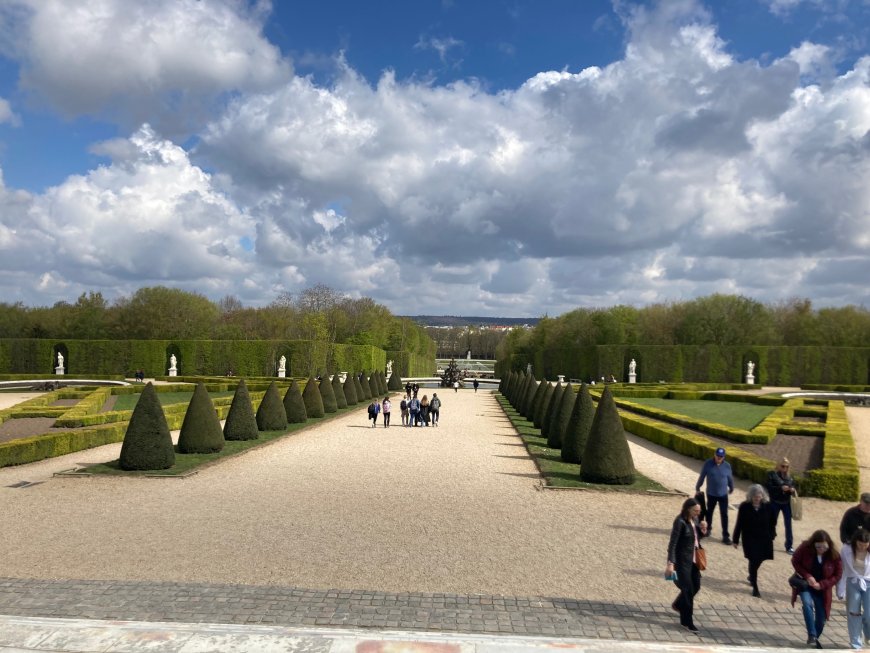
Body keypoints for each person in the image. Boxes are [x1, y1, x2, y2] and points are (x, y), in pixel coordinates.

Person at [792, 530, 842, 648]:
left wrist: (823, 584)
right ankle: (812, 635)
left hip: (823, 590)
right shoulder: (805, 548)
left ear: (829, 545)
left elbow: (838, 575)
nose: (821, 549)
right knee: (807, 604)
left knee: (821, 618)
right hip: (806, 585)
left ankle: (815, 639)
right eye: (818, 546)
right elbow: (795, 561)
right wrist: (807, 576)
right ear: (813, 544)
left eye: (824, 546)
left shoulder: (834, 555)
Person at [665, 497, 708, 633]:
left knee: (696, 586)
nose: (698, 513)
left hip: (694, 559)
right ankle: (687, 622)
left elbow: (695, 538)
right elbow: (673, 544)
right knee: (688, 590)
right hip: (682, 561)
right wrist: (671, 563)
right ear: (688, 509)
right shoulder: (680, 522)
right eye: (696, 510)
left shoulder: (694, 519)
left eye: (699, 511)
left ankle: (678, 604)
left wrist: (702, 530)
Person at [732, 484, 776, 597]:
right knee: (753, 558)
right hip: (749, 538)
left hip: (764, 537)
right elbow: (739, 523)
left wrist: (772, 535)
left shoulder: (768, 506)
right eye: (755, 496)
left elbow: (773, 522)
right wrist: (735, 539)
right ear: (751, 496)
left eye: (759, 496)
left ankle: (751, 574)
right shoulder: (744, 506)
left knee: (759, 559)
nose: (757, 498)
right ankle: (755, 587)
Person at [837, 527, 870, 650]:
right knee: (853, 612)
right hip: (853, 581)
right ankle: (856, 643)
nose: (862, 548)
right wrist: (841, 589)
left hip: (869, 582)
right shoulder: (846, 550)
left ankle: (868, 634)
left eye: (865, 545)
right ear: (856, 541)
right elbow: (842, 570)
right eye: (860, 545)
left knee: (869, 613)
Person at [695, 447, 734, 544]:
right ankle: (707, 529)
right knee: (709, 512)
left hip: (723, 494)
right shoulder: (708, 464)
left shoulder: (727, 466)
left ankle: (725, 535)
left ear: (724, 457)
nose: (719, 458)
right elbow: (702, 476)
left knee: (724, 514)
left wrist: (731, 487)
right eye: (718, 456)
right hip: (711, 493)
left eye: (721, 456)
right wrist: (698, 487)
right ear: (714, 454)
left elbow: (729, 478)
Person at [766, 457, 797, 553]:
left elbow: (794, 487)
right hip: (775, 502)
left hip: (786, 503)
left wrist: (792, 490)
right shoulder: (772, 475)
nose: (785, 468)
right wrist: (780, 488)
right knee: (772, 523)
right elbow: (769, 488)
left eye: (787, 466)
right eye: (783, 466)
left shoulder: (790, 477)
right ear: (778, 466)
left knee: (788, 525)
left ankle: (789, 546)